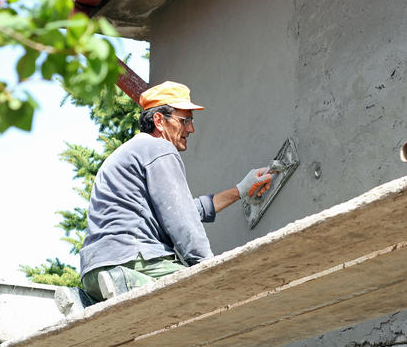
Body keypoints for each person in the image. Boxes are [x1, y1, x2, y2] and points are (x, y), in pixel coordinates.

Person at [78, 81, 272, 302]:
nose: (191, 129)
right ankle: (127, 283)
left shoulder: (129, 152)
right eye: (184, 120)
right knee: (212, 296)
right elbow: (182, 221)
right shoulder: (159, 149)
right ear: (159, 121)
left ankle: (87, 299)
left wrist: (240, 190)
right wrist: (208, 269)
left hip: (95, 269)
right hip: (133, 261)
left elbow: (183, 209)